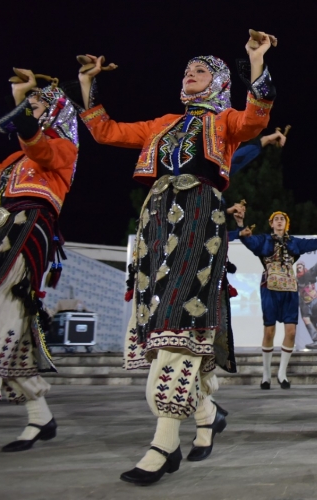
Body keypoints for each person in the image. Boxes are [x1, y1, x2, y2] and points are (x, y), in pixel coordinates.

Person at [77, 33, 275, 485]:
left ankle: (164, 442)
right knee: (157, 323)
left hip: (199, 217)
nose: (190, 74)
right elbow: (105, 131)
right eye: (187, 70)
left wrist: (256, 59)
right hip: (156, 221)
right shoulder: (161, 123)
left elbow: (257, 116)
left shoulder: (225, 120)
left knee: (178, 320)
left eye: (201, 70)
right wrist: (89, 85)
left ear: (219, 81)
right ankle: (206, 413)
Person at [0, 70, 79, 456]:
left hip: (26, 235)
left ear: (54, 113)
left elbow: (39, 148)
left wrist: (19, 102)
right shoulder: (12, 160)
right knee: (11, 329)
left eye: (37, 105)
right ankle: (40, 417)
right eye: (29, 106)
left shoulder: (63, 149)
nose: (30, 109)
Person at [230, 207, 317, 388]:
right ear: (271, 223)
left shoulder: (294, 242)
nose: (279, 221)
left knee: (291, 332)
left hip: (290, 288)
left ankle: (282, 374)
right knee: (269, 332)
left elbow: (316, 243)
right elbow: (247, 239)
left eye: (282, 219)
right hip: (269, 287)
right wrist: (239, 223)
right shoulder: (264, 240)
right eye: (276, 219)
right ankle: (266, 375)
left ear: (286, 224)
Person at [296, 257, 317, 350]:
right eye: (297, 267)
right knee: (308, 320)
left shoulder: (310, 272)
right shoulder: (295, 279)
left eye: (300, 266)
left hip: (314, 300)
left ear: (303, 266)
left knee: (311, 321)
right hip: (304, 301)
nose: (298, 268)